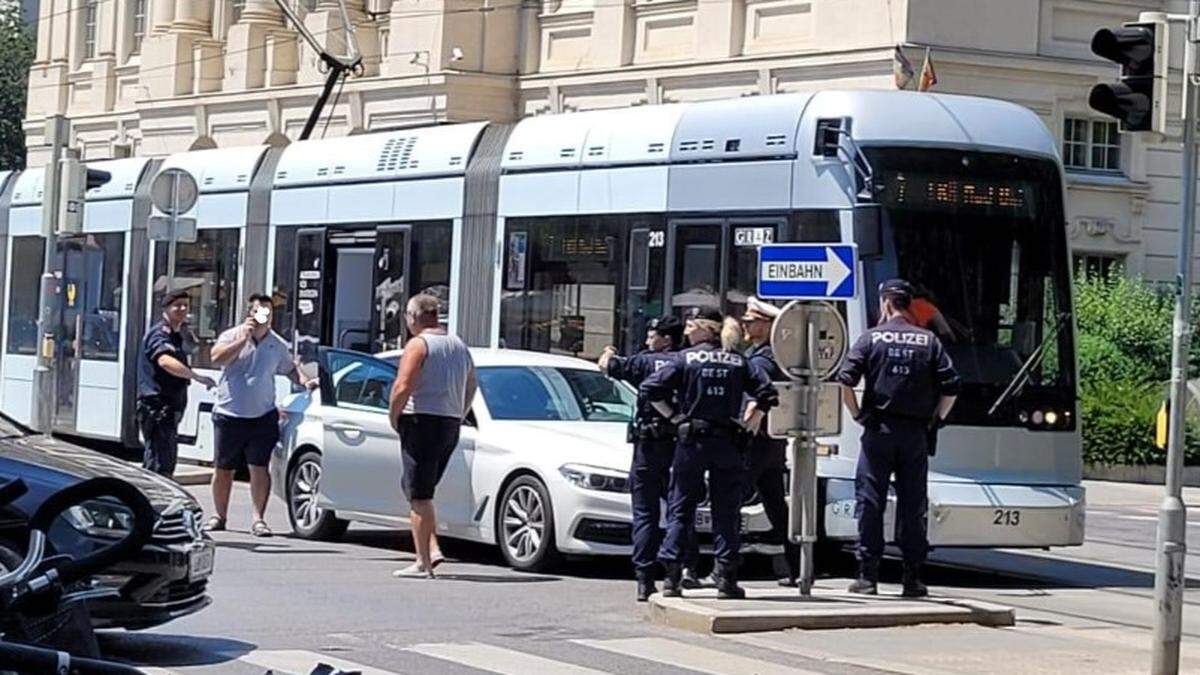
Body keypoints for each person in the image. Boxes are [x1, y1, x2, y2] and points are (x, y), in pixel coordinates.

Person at [835, 279, 960, 597]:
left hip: (878, 431)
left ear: (887, 304)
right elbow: (951, 387)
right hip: (915, 434)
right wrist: (936, 421)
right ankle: (913, 578)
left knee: (871, 501)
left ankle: (868, 576)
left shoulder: (871, 338)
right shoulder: (929, 341)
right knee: (912, 504)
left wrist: (857, 416)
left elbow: (844, 382)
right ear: (907, 304)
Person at [642, 307, 777, 599]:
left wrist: (675, 418)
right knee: (726, 511)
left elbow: (650, 389)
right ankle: (726, 579)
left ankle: (672, 578)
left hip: (692, 441)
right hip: (728, 442)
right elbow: (767, 394)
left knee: (681, 508)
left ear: (706, 328)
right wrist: (748, 424)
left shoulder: (685, 359)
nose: (687, 331)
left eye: (691, 325)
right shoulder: (738, 360)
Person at [204, 294, 317, 536]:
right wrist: (243, 339)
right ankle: (219, 515)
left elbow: (289, 369)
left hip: (262, 415)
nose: (263, 317)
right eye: (259, 311)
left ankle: (258, 519)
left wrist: (305, 381)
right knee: (224, 468)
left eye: (268, 312)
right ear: (249, 313)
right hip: (229, 413)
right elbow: (216, 358)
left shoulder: (277, 344)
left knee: (259, 467)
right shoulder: (232, 335)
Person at [389, 294, 477, 578]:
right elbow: (472, 384)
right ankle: (432, 548)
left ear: (413, 317)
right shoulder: (459, 345)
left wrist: (394, 415)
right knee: (422, 490)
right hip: (449, 422)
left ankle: (422, 562)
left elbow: (403, 385)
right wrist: (459, 412)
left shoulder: (419, 344)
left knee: (419, 494)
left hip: (421, 420)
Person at [599, 316, 685, 601]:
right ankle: (677, 574)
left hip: (649, 444)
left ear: (667, 339)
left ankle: (645, 580)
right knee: (679, 510)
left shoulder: (644, 362)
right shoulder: (685, 361)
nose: (649, 338)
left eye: (654, 334)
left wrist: (609, 351)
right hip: (679, 442)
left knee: (646, 512)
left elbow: (606, 366)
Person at [739, 296, 800, 586]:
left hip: (756, 440)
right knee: (776, 506)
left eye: (751, 322)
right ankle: (796, 566)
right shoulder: (770, 354)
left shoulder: (763, 359)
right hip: (771, 444)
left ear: (767, 325)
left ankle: (722, 567)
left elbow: (756, 399)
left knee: (731, 499)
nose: (745, 325)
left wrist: (742, 429)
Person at [136, 290, 216, 479]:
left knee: (164, 459)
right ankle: (153, 503)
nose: (182, 309)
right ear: (165, 308)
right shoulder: (159, 333)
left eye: (186, 305)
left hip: (169, 406)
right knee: (159, 463)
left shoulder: (177, 333)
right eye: (177, 305)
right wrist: (196, 376)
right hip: (157, 406)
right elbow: (164, 361)